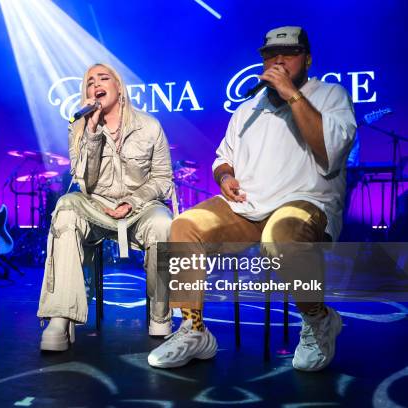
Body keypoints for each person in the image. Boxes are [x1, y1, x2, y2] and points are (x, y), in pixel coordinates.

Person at [148, 26, 356, 371]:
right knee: (184, 226)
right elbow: (222, 157)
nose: (277, 60)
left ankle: (319, 319)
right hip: (247, 206)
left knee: (281, 236)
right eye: (270, 55)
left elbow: (329, 154)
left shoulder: (330, 95)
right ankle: (193, 329)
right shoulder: (248, 109)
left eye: (288, 54)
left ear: (307, 59)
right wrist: (226, 176)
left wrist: (290, 93)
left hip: (305, 201)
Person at [37, 63, 176, 351]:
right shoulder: (79, 126)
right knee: (65, 208)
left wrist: (133, 201)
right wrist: (91, 130)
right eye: (89, 81)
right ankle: (60, 318)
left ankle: (161, 316)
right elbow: (84, 180)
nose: (96, 84)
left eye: (103, 78)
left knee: (163, 223)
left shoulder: (149, 126)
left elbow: (163, 180)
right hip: (94, 205)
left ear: (119, 86)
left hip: (140, 207)